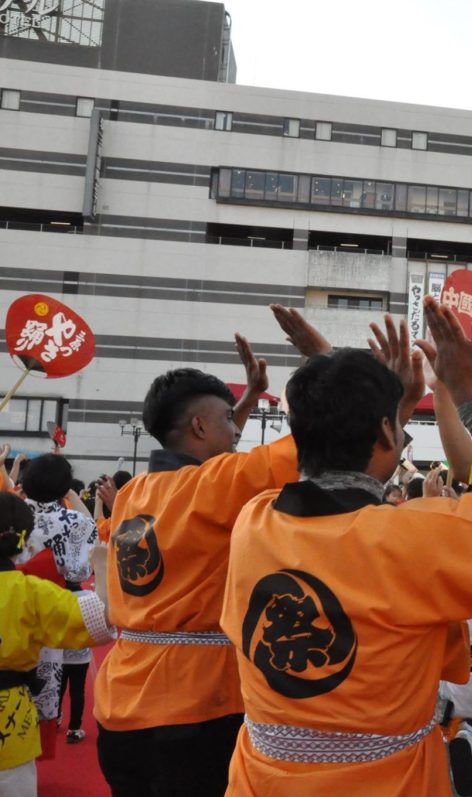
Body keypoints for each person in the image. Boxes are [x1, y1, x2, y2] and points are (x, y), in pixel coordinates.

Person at [218, 298, 472, 796]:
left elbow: (351, 470)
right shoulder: (415, 537)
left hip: (260, 781)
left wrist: (379, 402)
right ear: (388, 431)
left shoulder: (253, 523)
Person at [94, 309, 331, 796]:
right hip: (191, 716)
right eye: (230, 422)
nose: (238, 431)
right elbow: (327, 434)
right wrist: (323, 361)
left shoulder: (132, 494)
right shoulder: (213, 487)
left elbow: (208, 458)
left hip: (121, 705)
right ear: (200, 427)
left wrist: (239, 402)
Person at [0, 491, 115, 795]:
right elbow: (99, 622)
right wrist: (102, 567)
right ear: (25, 539)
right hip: (6, 734)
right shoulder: (33, 593)